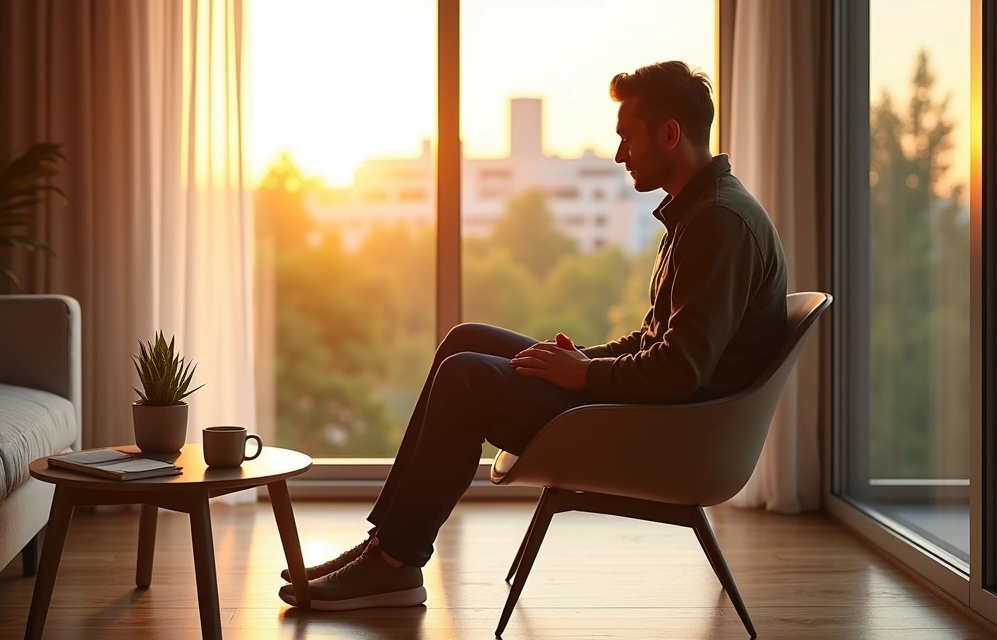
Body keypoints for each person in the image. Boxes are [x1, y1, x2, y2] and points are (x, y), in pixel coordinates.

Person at [277, 60, 789, 611]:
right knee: (463, 338)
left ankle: (394, 564)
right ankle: (386, 547)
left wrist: (586, 373)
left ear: (669, 133)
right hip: (651, 407)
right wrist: (579, 359)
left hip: (669, 431)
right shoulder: (700, 215)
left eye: (627, 139)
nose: (620, 155)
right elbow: (655, 341)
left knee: (464, 378)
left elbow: (681, 368)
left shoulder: (718, 223)